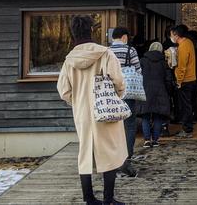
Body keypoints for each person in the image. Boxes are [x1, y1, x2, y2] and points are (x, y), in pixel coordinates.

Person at [57, 15, 127, 205]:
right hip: (106, 110)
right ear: (91, 31)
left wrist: (78, 102)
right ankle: (108, 199)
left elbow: (63, 90)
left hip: (83, 113)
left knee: (85, 153)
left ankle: (89, 198)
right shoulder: (105, 54)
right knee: (110, 152)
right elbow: (118, 82)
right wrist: (116, 97)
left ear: (73, 33)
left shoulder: (69, 60)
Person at [109, 27, 140, 178]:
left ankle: (113, 157)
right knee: (129, 124)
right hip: (127, 92)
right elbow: (138, 71)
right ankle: (126, 157)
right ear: (124, 37)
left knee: (113, 125)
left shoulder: (106, 51)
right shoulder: (130, 51)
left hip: (110, 94)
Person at [134, 42, 173, 147]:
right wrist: (169, 92)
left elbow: (137, 76)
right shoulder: (164, 63)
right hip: (161, 92)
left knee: (145, 117)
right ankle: (155, 140)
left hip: (145, 91)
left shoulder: (142, 61)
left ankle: (147, 140)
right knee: (158, 117)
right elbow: (169, 80)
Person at [171, 24, 196, 137]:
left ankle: (187, 128)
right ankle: (187, 127)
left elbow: (182, 66)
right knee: (188, 103)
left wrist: (179, 81)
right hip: (191, 78)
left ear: (177, 35)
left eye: (172, 35)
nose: (172, 37)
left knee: (185, 105)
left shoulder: (183, 46)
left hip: (185, 80)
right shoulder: (189, 42)